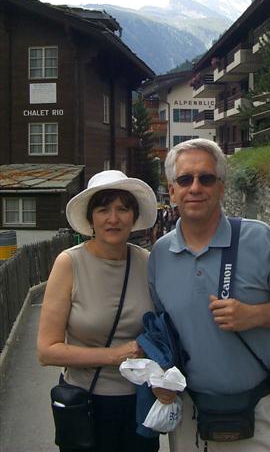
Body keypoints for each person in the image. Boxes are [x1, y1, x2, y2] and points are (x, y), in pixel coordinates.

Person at [148, 139, 270, 452]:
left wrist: (254, 315)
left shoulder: (258, 237)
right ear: (172, 190)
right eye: (185, 179)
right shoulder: (159, 254)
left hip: (259, 411)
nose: (195, 187)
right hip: (190, 416)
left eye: (206, 178)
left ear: (221, 187)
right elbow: (159, 331)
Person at [37, 170, 170, 452]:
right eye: (103, 209)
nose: (113, 218)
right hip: (86, 403)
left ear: (134, 218)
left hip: (140, 403)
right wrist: (114, 355)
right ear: (91, 219)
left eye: (123, 209)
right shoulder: (69, 264)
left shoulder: (148, 262)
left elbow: (163, 329)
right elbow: (47, 350)